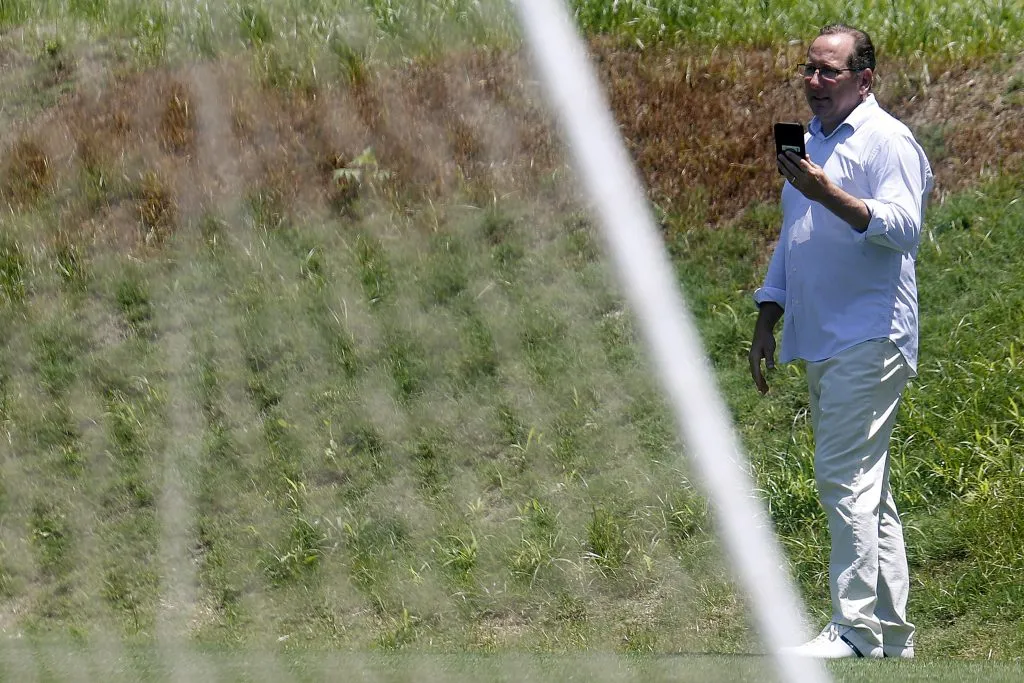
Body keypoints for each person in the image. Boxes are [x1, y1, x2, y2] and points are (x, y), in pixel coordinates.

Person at [749, 24, 933, 659]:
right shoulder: (811, 143)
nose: (815, 82)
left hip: (870, 332)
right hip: (823, 336)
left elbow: (905, 228)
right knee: (867, 491)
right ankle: (891, 638)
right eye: (809, 70)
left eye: (829, 71)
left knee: (842, 477)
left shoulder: (889, 141)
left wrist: (827, 191)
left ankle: (853, 631)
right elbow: (793, 234)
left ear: (865, 79)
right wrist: (768, 313)